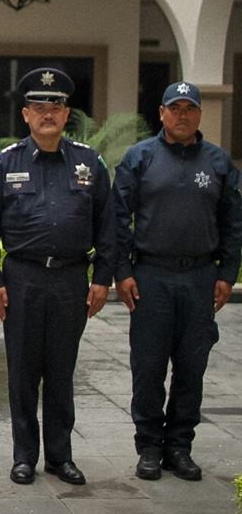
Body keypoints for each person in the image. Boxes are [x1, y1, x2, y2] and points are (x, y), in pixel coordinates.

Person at [0, 67, 114, 486]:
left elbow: (108, 225)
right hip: (21, 280)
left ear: (67, 112)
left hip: (71, 280)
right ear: (25, 114)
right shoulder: (6, 164)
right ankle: (23, 457)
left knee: (61, 370)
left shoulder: (90, 163)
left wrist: (102, 277)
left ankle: (59, 456)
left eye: (54, 105)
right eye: (39, 106)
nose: (47, 112)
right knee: (22, 371)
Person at [113, 81, 242, 481]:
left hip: (200, 276)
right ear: (162, 113)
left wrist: (226, 274)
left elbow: (234, 224)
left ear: (199, 114)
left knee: (192, 366)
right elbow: (117, 220)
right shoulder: (140, 158)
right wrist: (123, 272)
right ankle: (150, 446)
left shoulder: (218, 163)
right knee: (148, 366)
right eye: (175, 108)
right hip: (152, 276)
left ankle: (180, 446)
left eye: (190, 108)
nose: (182, 115)